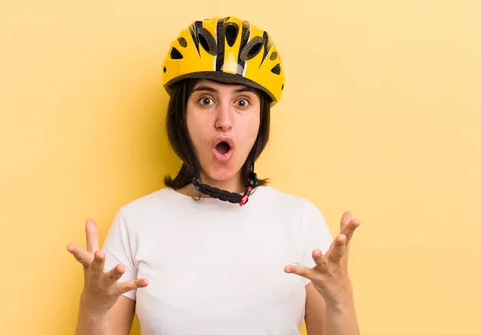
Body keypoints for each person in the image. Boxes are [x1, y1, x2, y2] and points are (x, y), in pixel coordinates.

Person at [66, 16, 361, 335]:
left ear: (261, 119)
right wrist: (92, 310)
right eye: (206, 100)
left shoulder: (300, 219)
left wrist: (341, 299)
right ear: (181, 115)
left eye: (242, 102)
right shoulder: (135, 222)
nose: (224, 120)